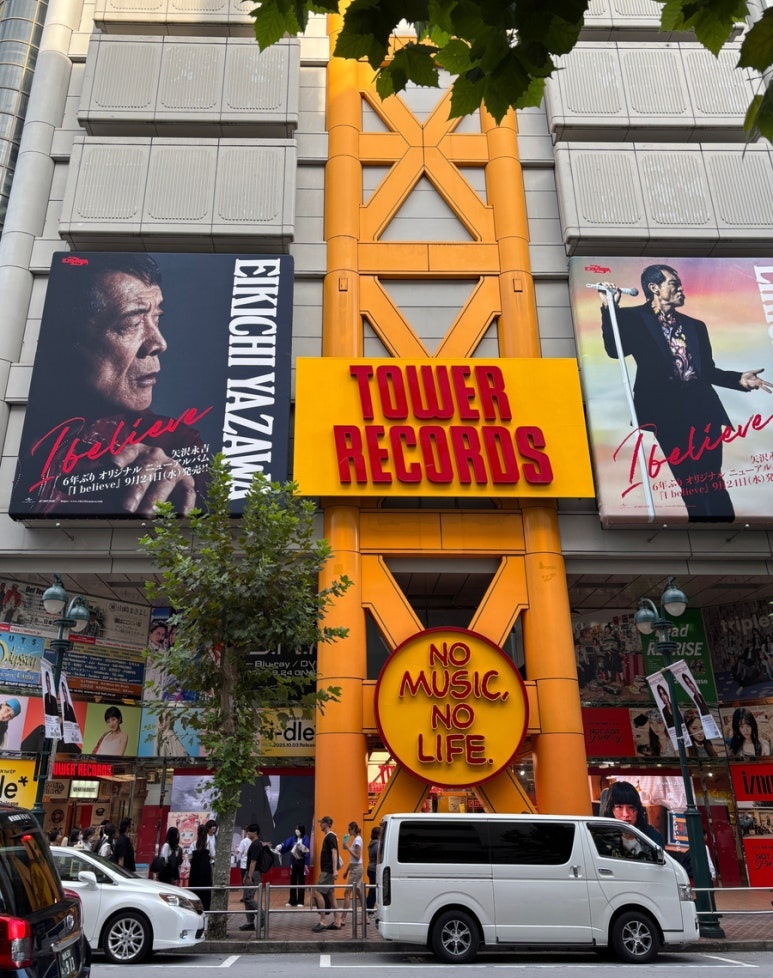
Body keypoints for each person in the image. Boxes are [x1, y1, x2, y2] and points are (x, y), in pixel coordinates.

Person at [11, 254, 210, 517]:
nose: (159, 343)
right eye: (132, 323)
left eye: (157, 318)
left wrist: (183, 494)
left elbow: (217, 527)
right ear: (67, 336)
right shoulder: (17, 428)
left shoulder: (178, 444)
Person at [600, 264, 772, 522]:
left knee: (711, 476)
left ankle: (724, 526)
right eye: (674, 283)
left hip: (703, 409)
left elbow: (707, 371)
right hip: (665, 413)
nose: (681, 289)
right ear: (654, 287)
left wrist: (738, 379)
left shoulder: (695, 326)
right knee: (688, 480)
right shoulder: (633, 318)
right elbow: (615, 351)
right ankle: (701, 529)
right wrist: (609, 309)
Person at [601, 780, 664, 848]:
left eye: (631, 807)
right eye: (619, 807)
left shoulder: (653, 838)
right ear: (611, 809)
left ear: (638, 809)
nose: (626, 814)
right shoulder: (601, 838)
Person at [312, 815, 341, 932]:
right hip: (328, 870)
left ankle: (323, 920)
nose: (320, 824)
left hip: (328, 870)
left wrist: (334, 870)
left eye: (321, 823)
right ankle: (337, 921)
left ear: (326, 824)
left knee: (317, 892)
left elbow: (334, 852)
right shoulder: (330, 837)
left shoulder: (330, 836)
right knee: (331, 894)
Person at [275, 823, 309, 907]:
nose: (296, 830)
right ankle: (292, 900)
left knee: (301, 881)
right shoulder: (293, 838)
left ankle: (300, 901)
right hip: (293, 862)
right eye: (296, 829)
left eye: (298, 829)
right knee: (293, 881)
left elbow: (306, 849)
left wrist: (300, 846)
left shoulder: (305, 838)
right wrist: (280, 846)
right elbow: (286, 843)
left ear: (301, 830)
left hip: (302, 862)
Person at [240, 823, 262, 932]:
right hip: (250, 872)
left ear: (255, 833)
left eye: (249, 831)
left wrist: (249, 876)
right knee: (247, 898)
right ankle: (250, 922)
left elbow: (253, 862)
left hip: (253, 873)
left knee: (248, 897)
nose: (247, 833)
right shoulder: (254, 844)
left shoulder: (256, 845)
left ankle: (262, 914)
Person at [341, 820, 364, 924]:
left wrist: (347, 848)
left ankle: (343, 918)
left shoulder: (357, 840)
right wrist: (346, 871)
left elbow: (357, 857)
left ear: (354, 829)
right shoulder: (356, 839)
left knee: (347, 893)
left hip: (356, 869)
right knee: (358, 891)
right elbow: (354, 860)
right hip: (356, 868)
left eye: (350, 829)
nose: (348, 831)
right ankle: (366, 916)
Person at [188, 824, 213, 911]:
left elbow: (190, 857)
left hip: (195, 869)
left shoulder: (193, 844)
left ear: (197, 833)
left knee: (194, 889)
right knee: (206, 890)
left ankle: (195, 908)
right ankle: (206, 909)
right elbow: (213, 855)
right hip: (206, 870)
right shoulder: (209, 843)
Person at [366, 825, 380, 912]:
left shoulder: (371, 844)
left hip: (370, 868)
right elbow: (378, 858)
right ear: (378, 835)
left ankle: (369, 907)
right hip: (375, 869)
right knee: (374, 890)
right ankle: (369, 908)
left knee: (372, 889)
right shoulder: (377, 845)